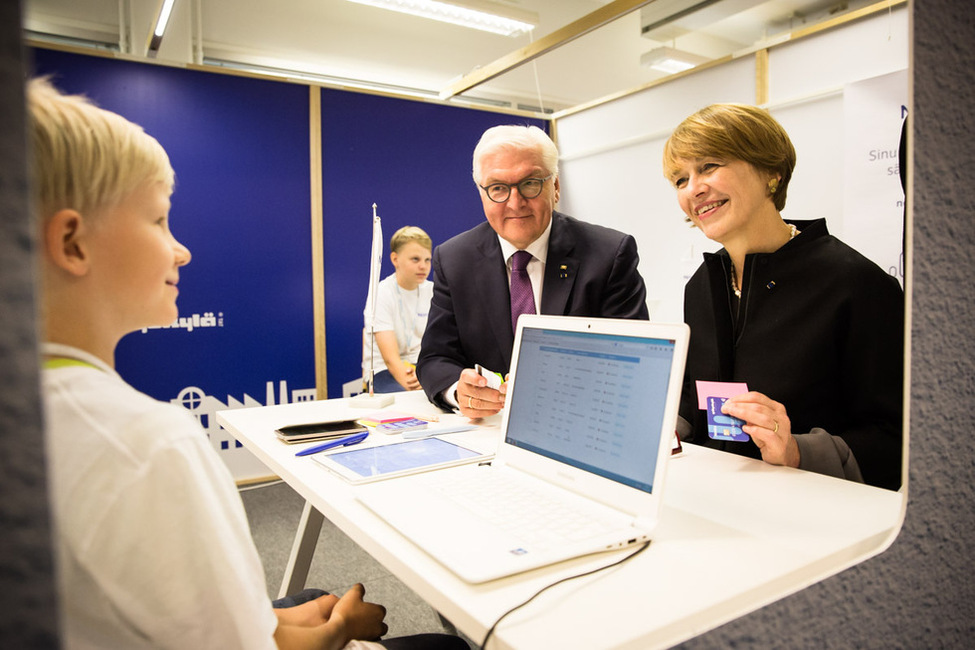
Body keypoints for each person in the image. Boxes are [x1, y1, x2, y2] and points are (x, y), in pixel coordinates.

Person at [30, 77, 467, 650]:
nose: (181, 249)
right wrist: (341, 629)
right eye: (159, 221)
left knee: (299, 600)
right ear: (73, 243)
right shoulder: (150, 445)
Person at [662, 103, 903, 490]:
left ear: (771, 173)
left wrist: (796, 451)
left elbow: (898, 440)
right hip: (715, 499)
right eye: (679, 179)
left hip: (814, 516)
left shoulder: (855, 284)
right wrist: (664, 426)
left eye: (708, 166)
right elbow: (696, 404)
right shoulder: (702, 287)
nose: (693, 188)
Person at [416, 124, 649, 417]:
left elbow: (631, 360)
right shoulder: (454, 259)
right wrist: (459, 392)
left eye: (530, 183)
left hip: (580, 423)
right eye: (498, 188)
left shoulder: (608, 254)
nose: (515, 203)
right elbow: (436, 357)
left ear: (556, 187)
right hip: (489, 431)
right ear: (482, 193)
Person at [362, 226, 433, 393]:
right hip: (384, 370)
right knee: (407, 402)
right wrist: (416, 387)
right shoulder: (381, 293)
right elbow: (390, 360)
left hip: (421, 366)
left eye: (427, 260)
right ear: (395, 259)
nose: (423, 266)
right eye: (415, 259)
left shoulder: (433, 291)